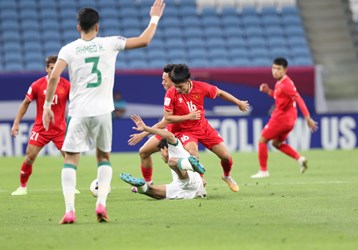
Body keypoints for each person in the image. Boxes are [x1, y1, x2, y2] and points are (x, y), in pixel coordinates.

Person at [42, 0, 165, 224]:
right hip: (102, 112)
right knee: (103, 158)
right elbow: (145, 40)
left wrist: (47, 106)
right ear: (97, 27)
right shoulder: (110, 43)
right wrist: (154, 17)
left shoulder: (68, 49)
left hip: (78, 112)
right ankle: (101, 205)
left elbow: (53, 77)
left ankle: (70, 210)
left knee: (70, 158)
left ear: (78, 26)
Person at [164, 64, 250, 192]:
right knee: (193, 154)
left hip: (203, 128)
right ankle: (200, 180)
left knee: (226, 156)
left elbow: (220, 93)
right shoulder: (171, 93)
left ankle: (226, 176)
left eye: (180, 86)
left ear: (188, 82)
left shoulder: (201, 87)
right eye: (175, 86)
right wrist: (188, 116)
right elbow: (168, 118)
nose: (177, 89)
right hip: (184, 131)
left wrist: (238, 103)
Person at [10, 55, 76, 196]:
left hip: (60, 129)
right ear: (47, 69)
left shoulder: (67, 85)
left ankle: (70, 187)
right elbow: (25, 103)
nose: (54, 70)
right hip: (41, 129)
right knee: (29, 157)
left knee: (69, 158)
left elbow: (76, 104)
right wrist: (16, 123)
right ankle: (22, 187)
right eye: (51, 68)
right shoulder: (37, 85)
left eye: (56, 68)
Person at [251, 57, 318, 179]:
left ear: (285, 70)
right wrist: (268, 91)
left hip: (281, 118)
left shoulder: (286, 84)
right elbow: (280, 98)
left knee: (262, 140)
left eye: (278, 69)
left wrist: (307, 118)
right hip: (290, 119)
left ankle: (263, 171)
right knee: (277, 143)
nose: (275, 71)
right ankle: (300, 159)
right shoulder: (280, 82)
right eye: (274, 68)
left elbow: (299, 99)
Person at [120, 114, 206, 199]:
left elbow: (170, 135)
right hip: (185, 188)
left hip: (191, 181)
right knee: (152, 192)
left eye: (161, 153)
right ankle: (141, 186)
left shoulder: (175, 147)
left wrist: (145, 128)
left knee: (172, 162)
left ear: (165, 149)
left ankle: (190, 165)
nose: (161, 157)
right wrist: (138, 188)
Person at [127, 64, 176, 184]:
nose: (162, 83)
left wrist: (143, 134)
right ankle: (148, 184)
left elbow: (164, 122)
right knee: (144, 152)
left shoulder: (180, 94)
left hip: (181, 133)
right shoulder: (169, 94)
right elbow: (164, 122)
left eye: (165, 80)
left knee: (174, 160)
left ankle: (196, 182)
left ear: (173, 80)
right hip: (168, 131)